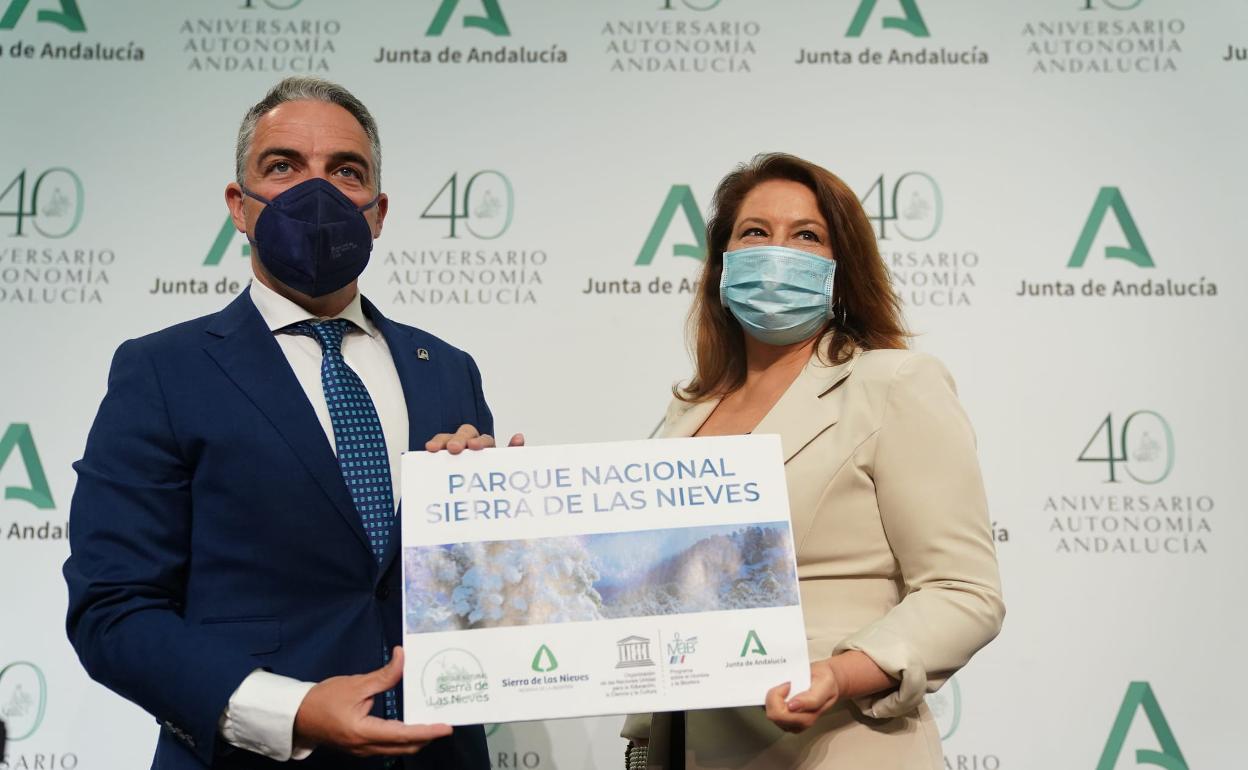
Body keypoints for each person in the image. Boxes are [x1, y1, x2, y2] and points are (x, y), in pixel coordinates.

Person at [63, 76, 518, 769]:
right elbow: (113, 612)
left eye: (345, 170)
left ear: (378, 211)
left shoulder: (446, 369)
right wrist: (290, 710)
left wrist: (502, 526)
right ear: (238, 207)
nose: (318, 192)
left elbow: (483, 605)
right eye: (283, 166)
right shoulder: (162, 371)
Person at [622, 153, 1004, 769]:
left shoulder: (893, 384)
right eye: (754, 232)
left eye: (806, 235)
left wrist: (841, 673)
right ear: (722, 263)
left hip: (836, 743)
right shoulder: (687, 414)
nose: (778, 251)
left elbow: (964, 591)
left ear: (839, 267)